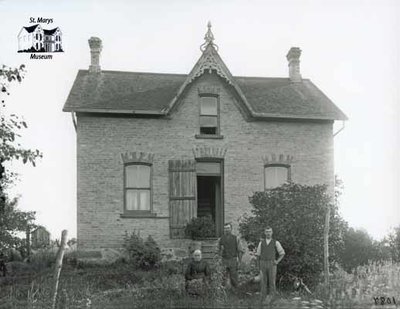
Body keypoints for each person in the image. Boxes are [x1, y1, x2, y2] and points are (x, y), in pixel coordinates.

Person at [255, 226, 285, 302]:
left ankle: (272, 297)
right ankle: (263, 297)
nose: (268, 233)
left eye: (270, 232)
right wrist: (258, 265)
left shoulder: (276, 242)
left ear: (272, 233)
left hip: (272, 263)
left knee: (272, 281)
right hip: (262, 263)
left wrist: (277, 261)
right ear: (265, 233)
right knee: (263, 281)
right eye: (267, 232)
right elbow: (258, 255)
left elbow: (282, 253)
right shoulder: (261, 243)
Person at [218, 222, 244, 289]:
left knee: (234, 277)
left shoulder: (236, 238)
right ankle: (224, 294)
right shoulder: (220, 239)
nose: (227, 229)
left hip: (233, 259)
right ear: (224, 229)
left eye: (228, 228)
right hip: (224, 260)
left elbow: (240, 250)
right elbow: (217, 251)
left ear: (231, 229)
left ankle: (236, 292)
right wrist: (219, 260)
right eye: (225, 228)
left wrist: (239, 261)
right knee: (223, 277)